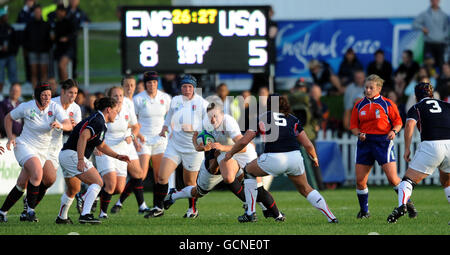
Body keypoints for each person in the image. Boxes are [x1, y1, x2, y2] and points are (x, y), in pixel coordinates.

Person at [223, 94, 338, 223]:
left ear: (269, 105)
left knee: (249, 171)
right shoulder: (293, 119)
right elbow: (308, 144)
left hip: (274, 157)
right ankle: (331, 217)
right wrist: (315, 158)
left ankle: (250, 213)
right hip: (295, 157)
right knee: (306, 188)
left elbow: (244, 141)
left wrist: (230, 153)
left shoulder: (263, 117)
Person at [164, 102, 285, 221]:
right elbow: (195, 135)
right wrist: (198, 147)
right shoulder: (206, 123)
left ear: (222, 114)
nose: (212, 119)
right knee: (198, 192)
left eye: (215, 116)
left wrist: (223, 148)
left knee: (255, 185)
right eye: (210, 116)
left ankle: (269, 213)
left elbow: (242, 146)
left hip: (237, 151)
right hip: (220, 154)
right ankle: (174, 195)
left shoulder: (228, 122)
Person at [0, 82, 72, 222]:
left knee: (22, 183)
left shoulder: (54, 107)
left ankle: (2, 212)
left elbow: (68, 124)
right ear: (37, 95)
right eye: (44, 95)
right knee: (38, 172)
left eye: (49, 95)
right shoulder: (27, 106)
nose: (47, 98)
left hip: (42, 151)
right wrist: (10, 138)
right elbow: (8, 118)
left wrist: (61, 125)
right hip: (24, 145)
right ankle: (30, 212)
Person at [349, 74, 417, 219]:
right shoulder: (359, 105)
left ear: (379, 88)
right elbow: (354, 126)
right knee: (360, 181)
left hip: (383, 142)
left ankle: (408, 203)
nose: (367, 90)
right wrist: (359, 134)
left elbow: (398, 122)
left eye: (371, 88)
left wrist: (394, 131)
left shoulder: (387, 104)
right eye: (366, 87)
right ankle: (364, 212)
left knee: (393, 179)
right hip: (364, 143)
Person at [55, 97, 130, 224]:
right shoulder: (98, 121)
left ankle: (61, 217)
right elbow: (83, 136)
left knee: (73, 189)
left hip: (66, 154)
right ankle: (85, 214)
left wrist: (118, 156)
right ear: (108, 109)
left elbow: (101, 145)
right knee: (98, 182)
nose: (116, 115)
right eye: (116, 111)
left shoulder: (98, 120)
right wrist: (80, 159)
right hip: (72, 155)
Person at [144, 74, 208, 219]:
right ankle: (158, 208)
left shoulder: (202, 103)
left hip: (193, 149)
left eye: (190, 87)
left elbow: (209, 125)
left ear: (194, 88)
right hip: (175, 146)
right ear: (180, 88)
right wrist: (165, 127)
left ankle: (192, 209)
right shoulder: (175, 100)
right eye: (184, 86)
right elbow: (169, 115)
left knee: (189, 183)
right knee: (161, 176)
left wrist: (193, 127)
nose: (187, 89)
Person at [387, 82, 450, 223]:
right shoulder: (446, 105)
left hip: (432, 145)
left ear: (416, 96)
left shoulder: (416, 107)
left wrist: (407, 148)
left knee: (408, 180)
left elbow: (409, 125)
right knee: (447, 181)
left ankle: (402, 206)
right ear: (432, 94)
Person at [20, 79, 82, 219]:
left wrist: (73, 126)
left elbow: (76, 129)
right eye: (70, 93)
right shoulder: (51, 103)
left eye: (76, 93)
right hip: (41, 144)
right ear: (63, 92)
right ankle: (28, 206)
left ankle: (29, 206)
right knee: (48, 177)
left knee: (48, 181)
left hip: (57, 147)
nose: (73, 96)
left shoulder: (75, 109)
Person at [111, 72, 170, 214]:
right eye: (149, 83)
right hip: (143, 140)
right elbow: (133, 122)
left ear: (157, 83)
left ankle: (157, 206)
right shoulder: (137, 99)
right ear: (145, 84)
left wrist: (167, 129)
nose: (152, 85)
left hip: (160, 140)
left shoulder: (165, 98)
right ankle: (119, 202)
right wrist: (137, 137)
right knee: (141, 174)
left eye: (154, 82)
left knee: (159, 175)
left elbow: (170, 117)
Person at [94, 86, 142, 219]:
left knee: (119, 189)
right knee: (110, 184)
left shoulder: (127, 109)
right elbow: (93, 130)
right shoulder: (105, 112)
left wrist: (132, 137)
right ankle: (102, 213)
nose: (119, 98)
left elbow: (136, 126)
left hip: (122, 152)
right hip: (105, 150)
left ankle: (90, 194)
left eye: (121, 95)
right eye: (115, 96)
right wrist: (96, 146)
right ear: (109, 98)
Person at [413, 0, 449, 70]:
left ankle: (440, 80)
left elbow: (447, 29)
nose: (434, 1)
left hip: (441, 44)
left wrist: (442, 36)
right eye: (432, 0)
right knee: (428, 65)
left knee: (441, 65)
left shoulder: (444, 15)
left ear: (439, 1)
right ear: (430, 1)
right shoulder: (424, 14)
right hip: (429, 44)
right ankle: (428, 80)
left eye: (436, 0)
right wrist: (422, 28)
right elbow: (414, 24)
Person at [24, 4, 52, 89]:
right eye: (36, 12)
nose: (38, 13)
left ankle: (43, 90)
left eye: (39, 12)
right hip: (32, 51)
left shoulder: (46, 24)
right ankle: (35, 92)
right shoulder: (30, 25)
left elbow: (50, 39)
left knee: (44, 73)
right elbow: (25, 38)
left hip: (44, 51)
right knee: (34, 73)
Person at [66, 0, 90, 79]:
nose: (73, 2)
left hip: (74, 39)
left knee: (74, 58)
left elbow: (88, 21)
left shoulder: (81, 12)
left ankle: (73, 76)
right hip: (65, 40)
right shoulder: (66, 11)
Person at [52, 4, 76, 81]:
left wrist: (66, 38)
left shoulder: (69, 22)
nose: (58, 15)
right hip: (60, 49)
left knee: (61, 65)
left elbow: (74, 33)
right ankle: (63, 84)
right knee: (59, 68)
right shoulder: (57, 23)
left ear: (64, 12)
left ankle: (67, 84)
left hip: (68, 49)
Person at [0, 8, 19, 99]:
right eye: (4, 16)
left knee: (13, 76)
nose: (6, 17)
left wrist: (13, 52)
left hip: (10, 56)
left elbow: (15, 42)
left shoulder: (10, 28)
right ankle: (0, 95)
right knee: (0, 77)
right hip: (1, 57)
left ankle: (16, 94)